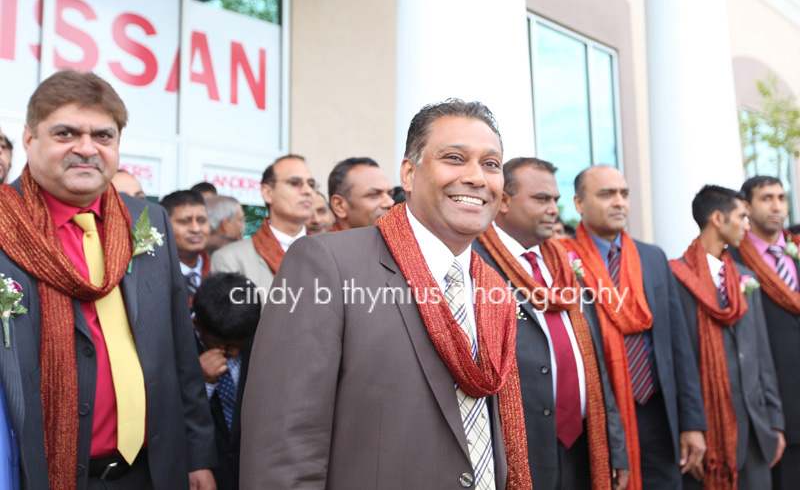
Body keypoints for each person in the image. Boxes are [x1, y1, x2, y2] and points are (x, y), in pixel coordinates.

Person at [240, 99, 532, 489]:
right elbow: (283, 442)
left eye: (491, 164)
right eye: (454, 158)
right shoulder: (327, 263)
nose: (477, 178)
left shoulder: (494, 290)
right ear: (409, 174)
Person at [0, 70, 215, 489]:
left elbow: (180, 354)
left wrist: (197, 456)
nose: (86, 149)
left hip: (150, 472)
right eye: (65, 133)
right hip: (36, 474)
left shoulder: (147, 220)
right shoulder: (4, 223)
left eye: (103, 135)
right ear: (29, 139)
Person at [473, 157, 629, 490]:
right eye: (541, 199)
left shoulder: (566, 264)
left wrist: (616, 449)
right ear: (503, 202)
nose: (553, 210)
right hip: (517, 449)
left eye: (555, 200)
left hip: (583, 446)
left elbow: (594, 362)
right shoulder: (475, 263)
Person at [561, 165, 706, 490]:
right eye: (606, 194)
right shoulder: (561, 260)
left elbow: (678, 346)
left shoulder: (652, 257)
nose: (619, 202)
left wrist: (692, 422)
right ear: (580, 204)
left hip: (658, 411)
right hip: (598, 419)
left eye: (624, 194)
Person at [671, 185, 784, 489]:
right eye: (742, 217)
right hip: (708, 431)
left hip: (758, 430)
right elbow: (675, 363)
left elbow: (761, 353)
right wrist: (689, 426)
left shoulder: (746, 277)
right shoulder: (675, 277)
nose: (748, 226)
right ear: (718, 218)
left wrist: (775, 421)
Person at [730, 176, 800, 490]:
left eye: (782, 198)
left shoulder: (795, 251)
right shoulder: (732, 261)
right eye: (766, 198)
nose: (777, 206)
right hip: (773, 411)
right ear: (746, 206)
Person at [210, 155, 314, 296]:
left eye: (311, 184)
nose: (307, 190)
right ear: (267, 193)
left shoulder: (330, 254)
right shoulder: (231, 259)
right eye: (295, 182)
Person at [194, 273, 260, 490]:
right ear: (197, 325)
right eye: (223, 344)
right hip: (205, 475)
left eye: (239, 344)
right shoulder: (179, 349)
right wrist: (201, 382)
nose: (232, 352)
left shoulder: (260, 346)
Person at [161, 190, 211, 304]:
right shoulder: (152, 276)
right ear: (164, 225)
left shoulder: (219, 268)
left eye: (202, 221)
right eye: (184, 221)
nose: (196, 229)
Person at [327, 157, 394, 230]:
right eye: (374, 194)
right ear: (339, 206)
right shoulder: (325, 241)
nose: (390, 202)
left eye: (389, 194)